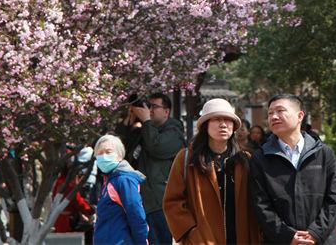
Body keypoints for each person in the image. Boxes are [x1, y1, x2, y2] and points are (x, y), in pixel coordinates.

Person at [163, 98, 262, 244]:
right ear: (205, 125)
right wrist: (191, 232)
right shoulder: (187, 158)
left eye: (228, 120)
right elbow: (172, 202)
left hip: (240, 238)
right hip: (203, 240)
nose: (223, 124)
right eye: (216, 119)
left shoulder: (244, 159)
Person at [249, 94, 336, 245]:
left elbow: (334, 199)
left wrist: (315, 233)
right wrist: (288, 236)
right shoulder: (261, 158)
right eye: (270, 113)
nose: (274, 116)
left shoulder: (323, 153)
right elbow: (260, 204)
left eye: (280, 111)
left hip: (321, 240)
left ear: (300, 116)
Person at [131, 92, 185, 245]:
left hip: (161, 203)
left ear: (166, 111)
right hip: (143, 202)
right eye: (148, 106)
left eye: (154, 106)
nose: (149, 110)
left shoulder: (175, 133)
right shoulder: (145, 131)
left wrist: (146, 121)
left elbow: (156, 148)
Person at [92, 134, 149, 245]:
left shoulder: (124, 180)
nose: (103, 156)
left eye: (108, 152)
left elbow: (136, 214)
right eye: (99, 153)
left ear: (119, 155)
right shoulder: (109, 181)